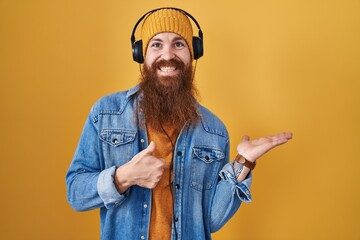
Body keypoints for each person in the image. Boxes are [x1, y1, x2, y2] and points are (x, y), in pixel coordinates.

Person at [66, 7, 292, 240]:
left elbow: (211, 220)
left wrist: (244, 162)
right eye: (156, 44)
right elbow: (76, 193)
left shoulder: (213, 131)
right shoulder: (106, 113)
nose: (168, 55)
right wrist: (124, 176)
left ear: (193, 53)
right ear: (140, 54)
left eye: (178, 44)